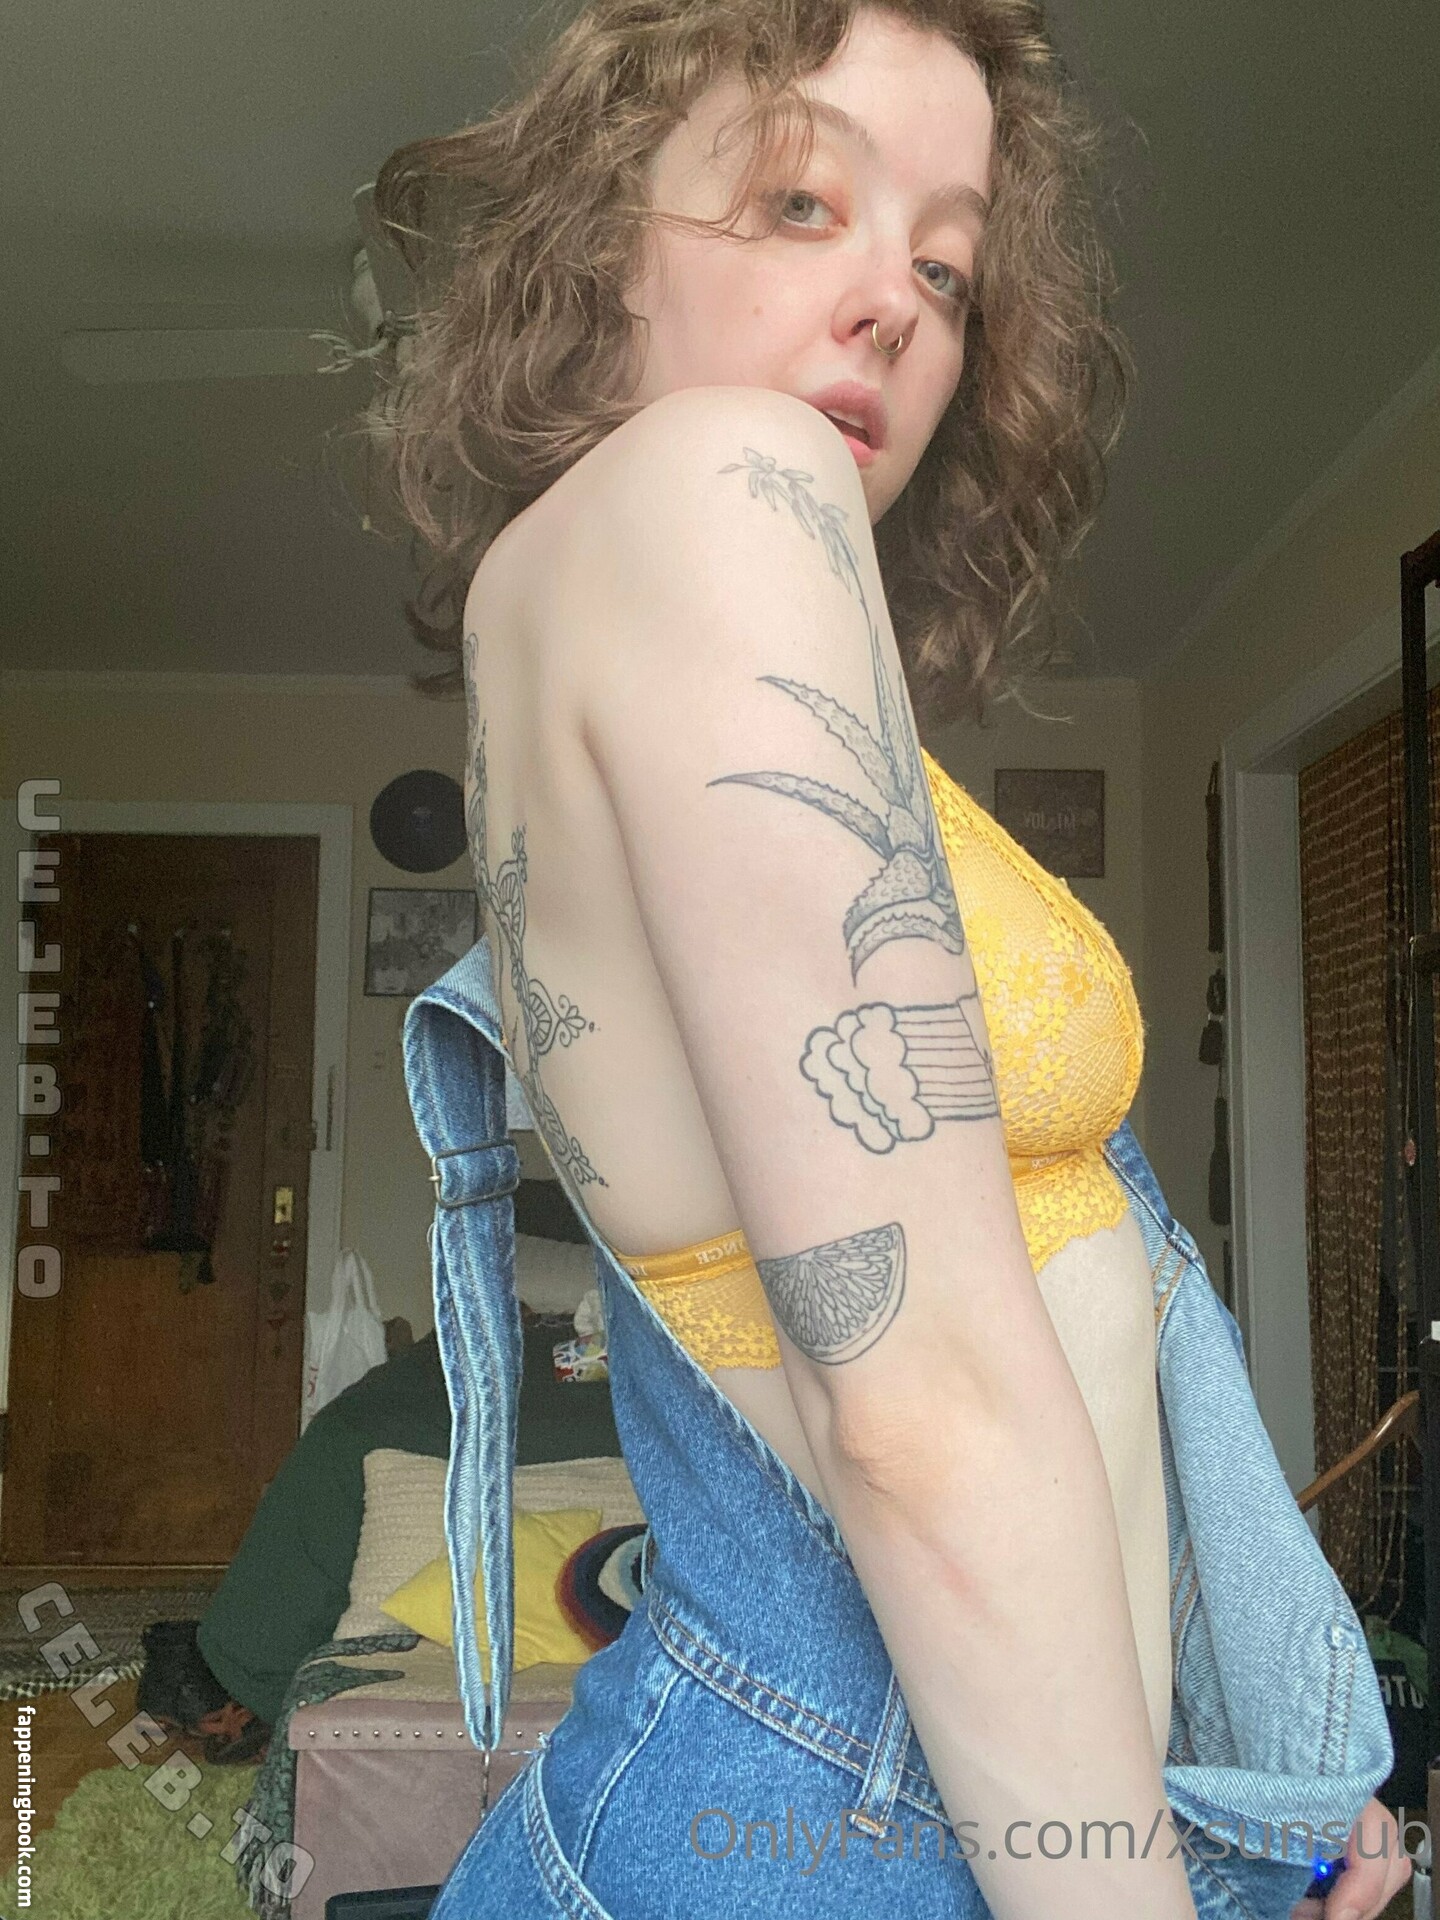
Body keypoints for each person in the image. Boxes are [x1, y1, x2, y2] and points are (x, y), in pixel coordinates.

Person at [371, 3, 1403, 1915]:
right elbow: (919, 1402)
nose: (893, 306)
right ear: (604, 236)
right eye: (797, 200)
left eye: (945, 264)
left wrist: (1239, 1769)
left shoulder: (618, 574)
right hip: (846, 1826)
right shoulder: (713, 483)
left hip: (936, 1807)